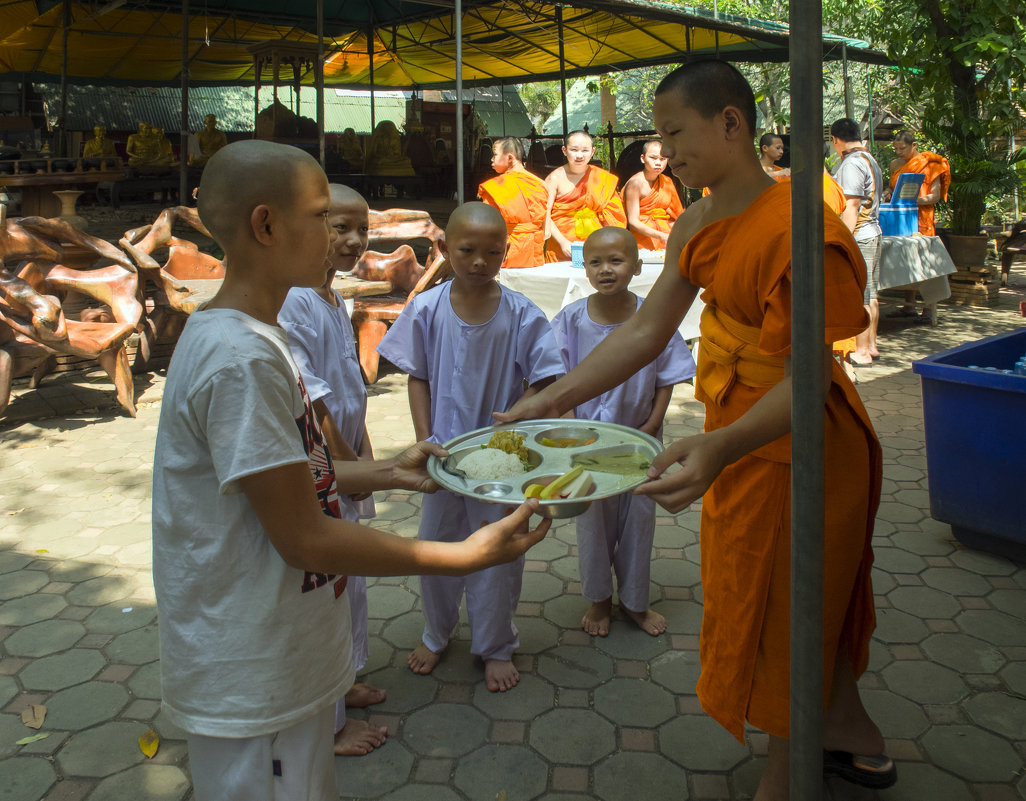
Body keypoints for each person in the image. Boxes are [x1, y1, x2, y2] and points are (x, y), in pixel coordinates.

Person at [498, 61, 892, 800]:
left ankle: (787, 773)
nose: (665, 149)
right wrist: (554, 396)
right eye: (661, 135)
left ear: (731, 124)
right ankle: (845, 724)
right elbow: (648, 329)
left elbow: (808, 377)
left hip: (801, 436)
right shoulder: (697, 219)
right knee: (776, 591)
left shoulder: (798, 224)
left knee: (793, 602)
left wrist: (718, 445)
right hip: (737, 428)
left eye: (676, 133)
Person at [152, 140, 550, 801]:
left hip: (280, 651)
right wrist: (463, 554)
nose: (344, 235)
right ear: (266, 225)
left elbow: (298, 475)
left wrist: (392, 471)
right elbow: (303, 535)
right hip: (252, 665)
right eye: (320, 217)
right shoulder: (241, 359)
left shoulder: (259, 334)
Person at [376, 202, 565, 693]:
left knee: (500, 552)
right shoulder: (427, 307)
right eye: (467, 250)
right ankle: (436, 634)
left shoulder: (522, 314)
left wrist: (516, 419)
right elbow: (416, 375)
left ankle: (495, 645)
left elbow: (546, 380)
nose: (480, 261)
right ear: (443, 249)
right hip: (442, 457)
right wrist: (426, 437)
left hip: (503, 458)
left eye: (493, 252)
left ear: (506, 253)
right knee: (435, 549)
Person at [277, 183, 390, 757]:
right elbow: (312, 402)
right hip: (325, 469)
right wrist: (353, 469)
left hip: (348, 460)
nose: (351, 241)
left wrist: (365, 449)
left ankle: (346, 680)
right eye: (336, 226)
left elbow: (348, 387)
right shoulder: (295, 299)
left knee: (352, 584)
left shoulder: (331, 294)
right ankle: (332, 719)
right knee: (331, 590)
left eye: (360, 229)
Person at [551, 227, 695, 637]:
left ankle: (634, 602)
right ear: (584, 266)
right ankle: (598, 601)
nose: (605, 270)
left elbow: (668, 375)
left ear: (635, 265)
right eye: (595, 262)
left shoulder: (653, 317)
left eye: (616, 261)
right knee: (592, 522)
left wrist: (653, 421)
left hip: (640, 439)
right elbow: (556, 377)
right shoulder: (572, 319)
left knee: (638, 519)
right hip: (587, 443)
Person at [831, 117, 884, 368]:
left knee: (861, 296)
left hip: (860, 234)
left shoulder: (852, 164)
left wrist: (843, 239)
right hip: (871, 231)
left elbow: (851, 206)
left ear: (835, 140)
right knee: (871, 293)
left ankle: (862, 350)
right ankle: (870, 346)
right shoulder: (868, 158)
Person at [886, 130, 952, 316]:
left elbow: (935, 196)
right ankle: (909, 305)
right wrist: (889, 193)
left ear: (914, 145)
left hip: (922, 217)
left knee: (925, 262)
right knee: (907, 260)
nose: (899, 152)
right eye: (896, 149)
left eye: (903, 148)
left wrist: (915, 200)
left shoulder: (929, 164)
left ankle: (929, 308)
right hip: (901, 217)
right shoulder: (895, 164)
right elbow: (893, 188)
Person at [544, 130, 627, 262]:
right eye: (574, 150)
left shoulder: (601, 178)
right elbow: (544, 213)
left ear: (592, 152)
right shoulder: (554, 178)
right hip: (562, 243)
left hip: (595, 242)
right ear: (564, 150)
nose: (579, 155)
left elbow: (614, 215)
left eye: (585, 150)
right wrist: (562, 242)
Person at [478, 137, 549, 268]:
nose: (491, 159)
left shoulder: (496, 186)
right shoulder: (541, 184)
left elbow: (486, 227)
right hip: (535, 254)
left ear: (510, 158)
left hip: (505, 252)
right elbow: (547, 230)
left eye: (495, 155)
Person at [621, 140, 685, 251]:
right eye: (653, 158)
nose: (658, 163)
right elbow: (633, 222)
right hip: (642, 239)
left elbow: (677, 214)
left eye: (662, 159)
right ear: (643, 158)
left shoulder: (667, 181)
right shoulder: (635, 184)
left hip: (665, 233)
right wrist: (660, 235)